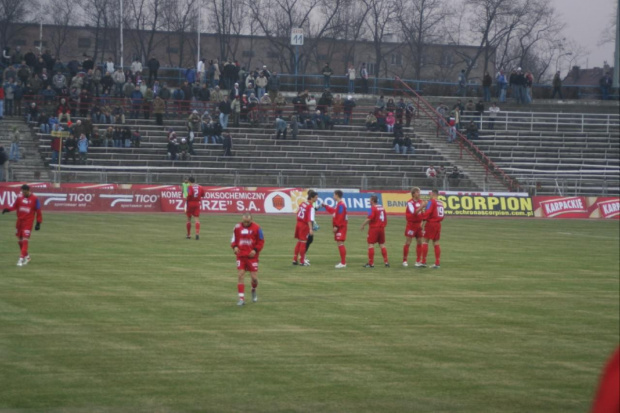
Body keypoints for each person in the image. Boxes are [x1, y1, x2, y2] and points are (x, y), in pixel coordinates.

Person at [2, 184, 43, 266]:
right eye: (22, 192)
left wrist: (38, 222)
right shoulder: (19, 197)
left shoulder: (35, 199)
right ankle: (27, 257)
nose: (23, 193)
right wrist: (7, 210)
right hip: (19, 221)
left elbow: (38, 211)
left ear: (28, 191)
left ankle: (20, 259)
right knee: (19, 240)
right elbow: (14, 206)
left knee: (25, 239)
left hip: (28, 222)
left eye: (25, 192)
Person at [231, 212, 265, 306]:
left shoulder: (257, 228)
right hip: (241, 256)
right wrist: (234, 247)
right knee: (240, 275)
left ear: (251, 220)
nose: (246, 223)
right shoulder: (237, 227)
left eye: (248, 222)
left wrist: (255, 250)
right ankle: (241, 299)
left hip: (252, 257)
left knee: (254, 279)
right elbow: (233, 240)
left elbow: (261, 241)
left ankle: (253, 289)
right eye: (244, 222)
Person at [360, 195, 389, 268]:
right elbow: (385, 218)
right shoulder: (382, 207)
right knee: (382, 244)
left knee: (371, 244)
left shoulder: (372, 208)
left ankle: (371, 263)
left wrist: (363, 224)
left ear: (373, 200)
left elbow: (369, 218)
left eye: (370, 200)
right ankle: (386, 262)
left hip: (374, 228)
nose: (369, 201)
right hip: (382, 228)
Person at [322, 190, 348, 268]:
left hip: (340, 226)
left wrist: (336, 226)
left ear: (337, 195)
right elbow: (334, 212)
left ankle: (343, 263)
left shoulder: (341, 205)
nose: (333, 196)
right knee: (339, 243)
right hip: (340, 226)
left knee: (340, 243)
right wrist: (326, 206)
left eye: (334, 195)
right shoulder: (339, 204)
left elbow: (340, 216)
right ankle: (343, 262)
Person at [420, 189, 445, 268]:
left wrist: (423, 220)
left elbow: (428, 212)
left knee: (425, 241)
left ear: (433, 194)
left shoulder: (432, 202)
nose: (430, 195)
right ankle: (437, 263)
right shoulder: (440, 203)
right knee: (436, 243)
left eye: (430, 194)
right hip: (438, 224)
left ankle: (423, 261)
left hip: (431, 223)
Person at [293, 190, 318, 266]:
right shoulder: (310, 207)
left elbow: (297, 213)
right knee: (303, 242)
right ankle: (302, 261)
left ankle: (294, 259)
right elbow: (309, 220)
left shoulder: (302, 203)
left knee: (299, 241)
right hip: (304, 225)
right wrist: (311, 229)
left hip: (298, 223)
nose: (316, 199)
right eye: (316, 197)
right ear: (312, 198)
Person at [402, 187, 424, 267]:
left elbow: (422, 214)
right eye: (418, 192)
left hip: (418, 225)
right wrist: (422, 206)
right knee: (408, 242)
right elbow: (414, 213)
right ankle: (404, 260)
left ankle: (418, 261)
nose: (419, 194)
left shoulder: (421, 201)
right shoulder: (410, 203)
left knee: (419, 242)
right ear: (414, 194)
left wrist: (422, 222)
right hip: (411, 225)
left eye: (419, 192)